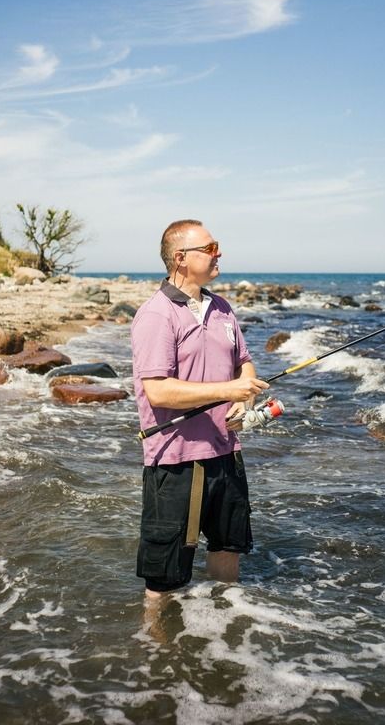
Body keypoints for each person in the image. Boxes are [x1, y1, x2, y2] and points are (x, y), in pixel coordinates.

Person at [130, 219, 268, 601]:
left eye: (216, 246)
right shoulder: (156, 314)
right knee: (165, 579)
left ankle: (225, 633)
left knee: (228, 550)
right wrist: (229, 389)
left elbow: (245, 365)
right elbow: (157, 391)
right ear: (180, 258)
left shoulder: (223, 309)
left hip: (226, 452)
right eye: (209, 248)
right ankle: (159, 653)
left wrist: (244, 401)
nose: (218, 253)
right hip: (175, 461)